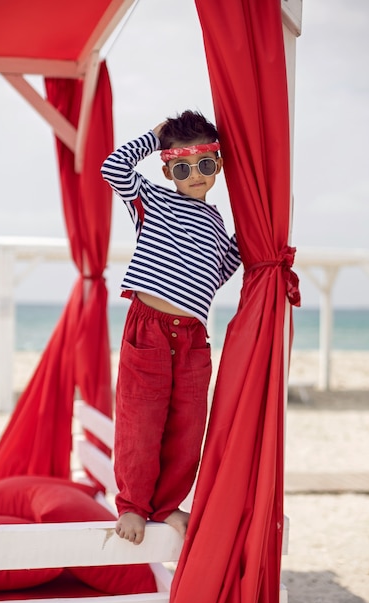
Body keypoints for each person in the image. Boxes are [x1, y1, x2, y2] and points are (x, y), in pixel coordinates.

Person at [101, 110, 241, 545]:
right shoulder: (151, 200)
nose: (194, 175)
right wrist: (155, 136)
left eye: (204, 165)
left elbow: (220, 272)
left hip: (193, 336)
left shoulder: (217, 222)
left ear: (217, 166)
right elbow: (112, 167)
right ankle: (133, 504)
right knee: (141, 421)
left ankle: (167, 505)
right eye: (182, 167)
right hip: (149, 330)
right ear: (167, 170)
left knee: (187, 426)